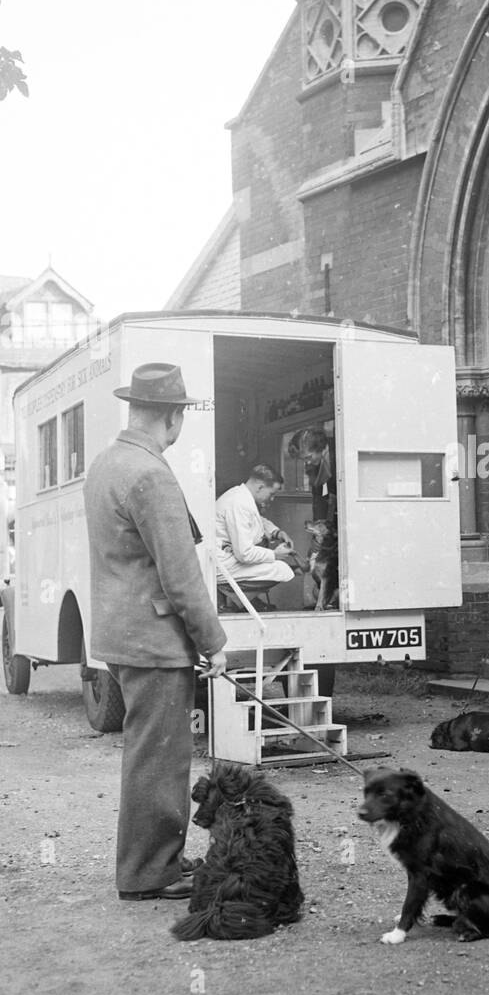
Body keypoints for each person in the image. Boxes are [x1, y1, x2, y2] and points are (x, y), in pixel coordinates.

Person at [83, 363, 227, 902]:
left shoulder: (106, 464)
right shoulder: (150, 474)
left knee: (149, 753)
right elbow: (181, 576)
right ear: (173, 415)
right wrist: (212, 641)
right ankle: (149, 872)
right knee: (161, 759)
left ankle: (157, 857)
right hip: (154, 640)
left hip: (123, 636)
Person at [215, 464, 297, 609]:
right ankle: (232, 595)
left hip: (229, 558)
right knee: (282, 570)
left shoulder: (241, 495)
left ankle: (241, 601)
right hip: (223, 564)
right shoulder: (238, 503)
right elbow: (245, 554)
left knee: (279, 567)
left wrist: (277, 532)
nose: (272, 499)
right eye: (271, 494)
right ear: (260, 487)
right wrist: (275, 554)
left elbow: (257, 520)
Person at [290, 426, 334, 521]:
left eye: (308, 457)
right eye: (304, 459)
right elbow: (321, 493)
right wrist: (319, 522)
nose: (307, 463)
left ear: (321, 448)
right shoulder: (314, 466)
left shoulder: (338, 452)